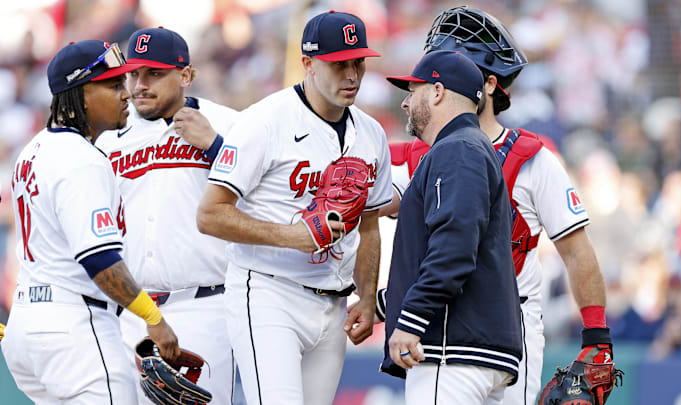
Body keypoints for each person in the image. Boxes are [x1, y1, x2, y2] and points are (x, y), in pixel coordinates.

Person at [378, 7, 614, 405]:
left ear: (487, 84)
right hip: (446, 314)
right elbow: (376, 212)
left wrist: (596, 336)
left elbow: (576, 252)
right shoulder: (420, 153)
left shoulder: (534, 159)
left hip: (512, 319)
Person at [196, 10, 393, 405]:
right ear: (307, 63)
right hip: (269, 291)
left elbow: (370, 224)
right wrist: (291, 236)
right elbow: (210, 213)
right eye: (339, 64)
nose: (352, 75)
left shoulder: (371, 133)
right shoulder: (264, 122)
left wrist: (368, 298)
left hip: (334, 302)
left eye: (358, 62)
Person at [1, 39, 179, 404]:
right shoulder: (82, 159)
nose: (126, 94)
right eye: (113, 86)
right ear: (80, 94)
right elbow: (99, 260)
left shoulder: (33, 149)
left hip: (29, 323)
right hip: (75, 330)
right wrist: (153, 317)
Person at [95, 27, 239, 404]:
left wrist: (216, 147)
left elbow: (262, 203)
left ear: (186, 75)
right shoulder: (109, 138)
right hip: (127, 313)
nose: (140, 84)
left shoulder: (229, 124)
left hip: (204, 306)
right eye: (134, 73)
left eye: (154, 74)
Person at [382, 50, 522, 404]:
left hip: (451, 350)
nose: (406, 103)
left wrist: (410, 320)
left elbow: (454, 250)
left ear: (438, 92)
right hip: (473, 349)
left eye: (413, 91)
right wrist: (384, 305)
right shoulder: (472, 147)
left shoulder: (458, 150)